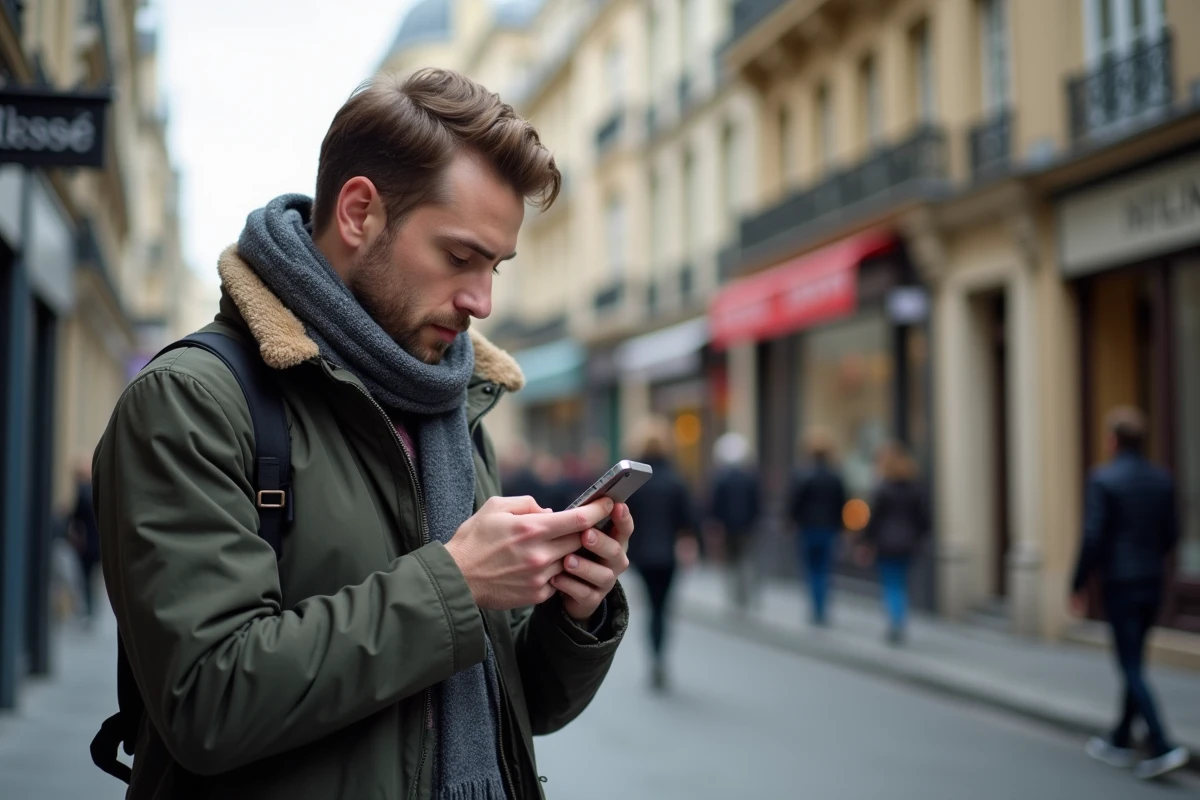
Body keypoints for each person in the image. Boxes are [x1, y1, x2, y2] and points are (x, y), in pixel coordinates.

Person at [92, 69, 633, 800]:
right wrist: (458, 584)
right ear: (358, 213)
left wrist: (576, 613)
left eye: (496, 265)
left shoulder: (451, 403)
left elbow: (515, 709)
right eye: (459, 256)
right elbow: (205, 702)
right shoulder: (191, 400)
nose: (482, 299)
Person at [1071, 407, 1189, 780]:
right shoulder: (1161, 480)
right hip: (1153, 582)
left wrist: (1077, 583)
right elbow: (1172, 535)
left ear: (1113, 441)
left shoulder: (1103, 479)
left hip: (1121, 584)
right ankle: (1120, 739)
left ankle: (1161, 743)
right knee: (1134, 661)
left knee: (1130, 665)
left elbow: (1093, 536)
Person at [624, 416, 698, 691]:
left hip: (642, 555)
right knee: (662, 608)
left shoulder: (635, 481)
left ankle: (654, 656)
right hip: (668, 555)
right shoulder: (676, 480)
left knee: (651, 608)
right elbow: (688, 520)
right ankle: (660, 655)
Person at [856, 440, 928, 645]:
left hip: (886, 543)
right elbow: (923, 520)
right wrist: (919, 537)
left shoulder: (882, 489)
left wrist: (864, 542)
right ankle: (899, 619)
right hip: (908, 544)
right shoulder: (915, 489)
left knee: (891, 584)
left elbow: (874, 520)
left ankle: (895, 622)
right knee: (901, 583)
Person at [788, 428, 847, 626]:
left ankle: (816, 608)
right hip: (829, 529)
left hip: (808, 528)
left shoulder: (803, 474)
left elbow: (794, 503)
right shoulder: (835, 476)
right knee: (824, 569)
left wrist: (793, 520)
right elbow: (842, 503)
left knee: (811, 569)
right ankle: (822, 607)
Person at [708, 432, 761, 612]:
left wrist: (716, 525)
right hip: (746, 527)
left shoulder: (721, 479)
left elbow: (716, 505)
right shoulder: (749, 479)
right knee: (745, 560)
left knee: (731, 562)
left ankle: (734, 597)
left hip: (728, 527)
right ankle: (745, 597)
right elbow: (756, 504)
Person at [67, 456, 101, 622]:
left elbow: (74, 518)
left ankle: (88, 611)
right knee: (91, 579)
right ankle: (91, 610)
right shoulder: (94, 491)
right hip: (97, 544)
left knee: (85, 579)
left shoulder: (82, 494)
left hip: (86, 545)